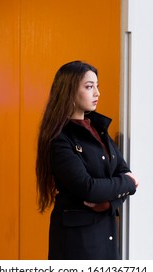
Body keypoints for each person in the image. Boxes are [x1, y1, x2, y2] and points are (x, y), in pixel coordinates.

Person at [36, 60, 138, 260]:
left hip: (104, 234)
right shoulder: (60, 139)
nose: (97, 93)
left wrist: (109, 203)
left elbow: (122, 169)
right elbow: (88, 188)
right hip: (77, 241)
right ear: (69, 91)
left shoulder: (98, 128)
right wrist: (129, 183)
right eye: (89, 87)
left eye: (97, 86)